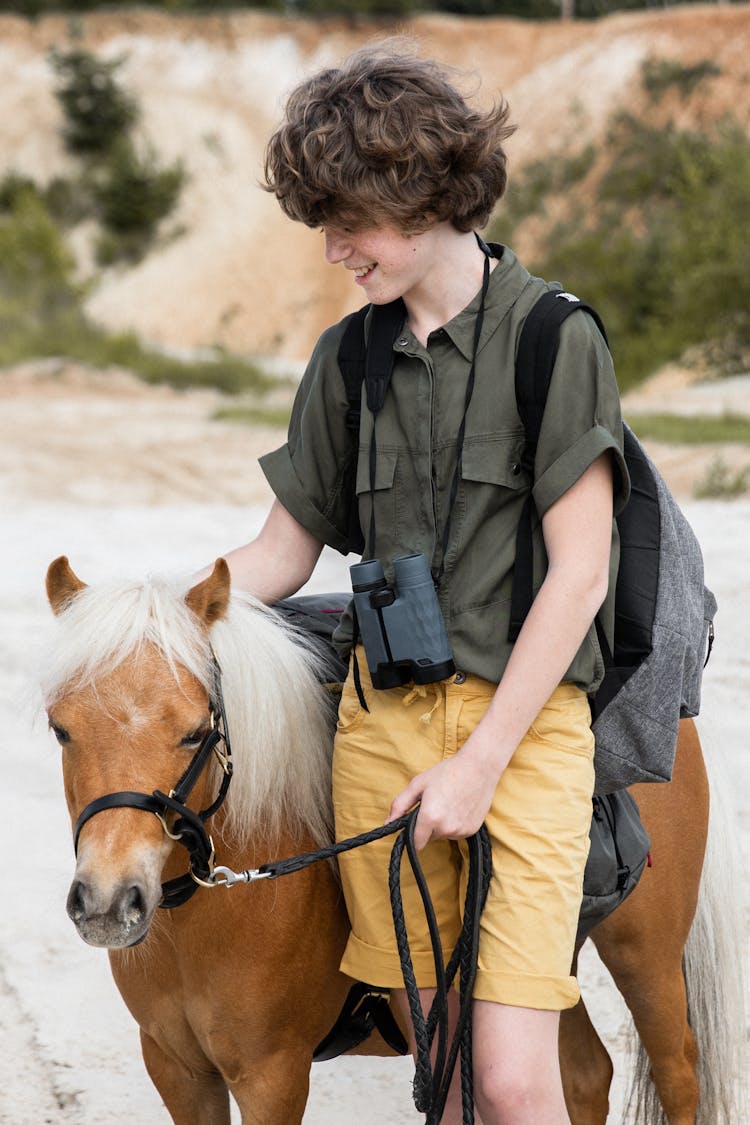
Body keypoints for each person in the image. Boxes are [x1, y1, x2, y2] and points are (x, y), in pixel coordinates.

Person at [210, 43, 629, 1125]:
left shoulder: (554, 338)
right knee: (439, 1082)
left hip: (526, 734)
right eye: (323, 226)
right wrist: (161, 610)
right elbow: (281, 557)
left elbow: (582, 574)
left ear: (424, 189)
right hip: (383, 739)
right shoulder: (345, 362)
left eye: (350, 220)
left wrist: (482, 763)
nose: (336, 250)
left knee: (512, 1082)